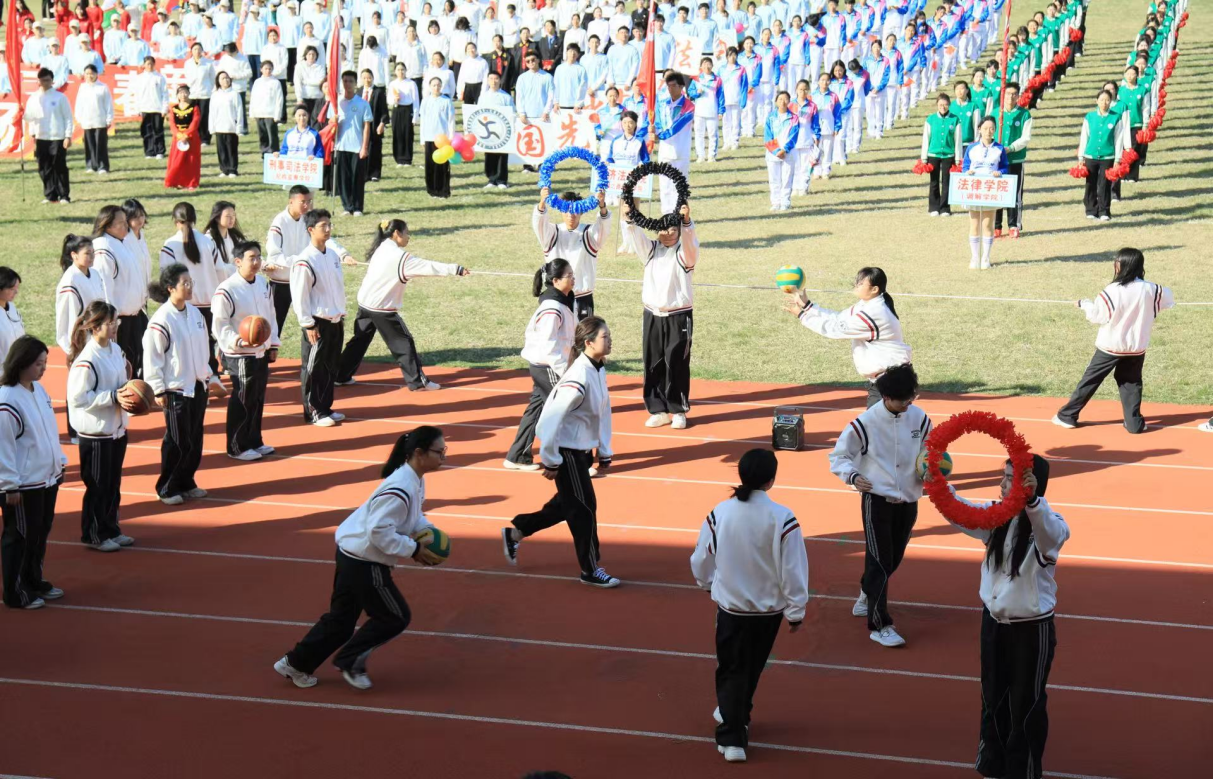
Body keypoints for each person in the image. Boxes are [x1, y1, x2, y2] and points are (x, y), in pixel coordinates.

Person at [273, 426, 449, 691]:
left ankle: (295, 663)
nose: (444, 456)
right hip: (365, 562)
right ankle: (350, 660)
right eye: (439, 451)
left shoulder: (413, 479)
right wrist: (414, 549)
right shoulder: (400, 487)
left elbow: (413, 516)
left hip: (352, 554)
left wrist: (428, 532)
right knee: (394, 616)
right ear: (419, 453)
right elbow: (378, 531)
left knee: (341, 621)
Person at [937, 455, 1067, 779]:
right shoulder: (996, 516)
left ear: (1031, 484)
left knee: (1025, 705)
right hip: (993, 625)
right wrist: (937, 484)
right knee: (992, 698)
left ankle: (1023, 771)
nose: (1003, 483)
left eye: (1011, 478)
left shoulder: (1049, 524)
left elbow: (1051, 533)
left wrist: (1033, 502)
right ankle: (993, 766)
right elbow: (961, 513)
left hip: (1030, 630)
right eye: (1004, 475)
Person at [690, 448, 808, 764]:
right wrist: (795, 610)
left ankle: (733, 732)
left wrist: (706, 583)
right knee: (752, 666)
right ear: (771, 480)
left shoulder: (721, 512)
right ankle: (735, 719)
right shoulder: (783, 517)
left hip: (732, 610)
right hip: (768, 614)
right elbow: (793, 568)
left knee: (732, 668)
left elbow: (701, 557)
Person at [502, 317, 620, 588]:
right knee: (584, 509)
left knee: (567, 504)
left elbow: (603, 412)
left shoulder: (598, 369)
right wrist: (551, 460)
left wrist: (604, 451)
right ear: (589, 343)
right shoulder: (578, 377)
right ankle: (590, 569)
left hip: (581, 452)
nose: (610, 340)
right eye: (605, 336)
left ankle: (516, 532)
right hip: (567, 454)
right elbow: (548, 420)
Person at [828, 363, 928, 648]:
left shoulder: (919, 418)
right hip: (877, 500)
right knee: (880, 560)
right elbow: (839, 456)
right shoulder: (865, 423)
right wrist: (853, 476)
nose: (908, 404)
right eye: (902, 400)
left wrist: (931, 468)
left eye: (911, 398)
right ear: (886, 397)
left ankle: (866, 593)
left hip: (909, 499)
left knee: (893, 558)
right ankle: (879, 624)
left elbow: (930, 450)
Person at [335, 219, 469, 389]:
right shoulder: (401, 258)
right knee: (404, 343)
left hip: (365, 304)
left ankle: (340, 375)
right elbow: (428, 267)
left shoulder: (382, 247)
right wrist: (456, 269)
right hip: (381, 308)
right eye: (406, 233)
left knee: (359, 341)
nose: (408, 236)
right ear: (397, 233)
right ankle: (417, 381)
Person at [1053, 248, 1174, 434]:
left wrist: (1084, 304)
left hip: (1110, 347)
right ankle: (1134, 423)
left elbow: (1097, 316)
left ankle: (1067, 416)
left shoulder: (1112, 290)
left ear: (1122, 265)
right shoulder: (1153, 289)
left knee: (1090, 380)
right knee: (1131, 384)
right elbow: (1168, 300)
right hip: (1136, 348)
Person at [0, 336, 66, 610]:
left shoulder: (38, 390)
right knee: (19, 537)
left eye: (45, 362)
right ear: (22, 363)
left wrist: (59, 461)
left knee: (39, 534)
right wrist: (9, 485)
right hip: (24, 485)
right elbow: (3, 447)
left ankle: (33, 580)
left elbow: (49, 429)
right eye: (38, 363)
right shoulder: (7, 401)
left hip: (46, 478)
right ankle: (15, 592)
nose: (44, 368)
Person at [785, 267, 911, 407]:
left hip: (892, 382)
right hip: (889, 379)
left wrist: (802, 315)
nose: (856, 285)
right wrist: (808, 306)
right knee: (887, 420)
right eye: (857, 281)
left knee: (879, 420)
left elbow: (835, 329)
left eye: (861, 283)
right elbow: (838, 319)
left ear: (874, 289)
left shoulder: (874, 313)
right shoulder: (866, 305)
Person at [67, 301, 137, 552]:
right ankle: (94, 534)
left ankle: (111, 528)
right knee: (97, 485)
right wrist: (113, 397)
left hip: (116, 429)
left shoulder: (115, 350)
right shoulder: (86, 361)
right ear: (95, 326)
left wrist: (131, 394)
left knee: (113, 483)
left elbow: (122, 383)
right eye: (110, 322)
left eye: (117, 321)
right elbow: (79, 398)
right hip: (96, 433)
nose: (116, 326)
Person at [144, 263, 215, 506]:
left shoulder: (195, 314)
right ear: (170, 288)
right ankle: (166, 487)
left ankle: (187, 482)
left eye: (190, 282)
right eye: (185, 283)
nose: (190, 286)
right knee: (177, 440)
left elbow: (204, 348)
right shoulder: (161, 321)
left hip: (197, 386)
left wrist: (208, 376)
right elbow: (153, 357)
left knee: (194, 439)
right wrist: (158, 388)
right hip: (175, 390)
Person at [623, 201, 698, 430]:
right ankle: (658, 410)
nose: (667, 234)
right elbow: (636, 236)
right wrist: (629, 217)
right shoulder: (651, 250)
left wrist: (687, 221)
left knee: (676, 362)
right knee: (652, 362)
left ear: (679, 231)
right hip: (652, 314)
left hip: (678, 315)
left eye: (673, 229)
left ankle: (678, 410)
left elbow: (690, 241)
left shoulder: (685, 253)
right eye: (663, 229)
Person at [504, 259, 577, 472]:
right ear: (555, 281)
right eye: (569, 275)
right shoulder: (552, 309)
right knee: (567, 411)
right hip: (549, 367)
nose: (573, 278)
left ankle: (518, 455)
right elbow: (548, 344)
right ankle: (574, 462)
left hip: (545, 366)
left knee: (536, 410)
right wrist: (564, 371)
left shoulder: (562, 302)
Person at [212, 241, 279, 461]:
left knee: (257, 397)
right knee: (242, 398)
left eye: (259, 257)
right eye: (252, 258)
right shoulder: (226, 290)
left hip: (260, 351)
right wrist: (238, 341)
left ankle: (254, 440)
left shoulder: (262, 284)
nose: (257, 262)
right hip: (240, 354)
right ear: (238, 261)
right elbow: (219, 325)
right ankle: (236, 446)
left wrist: (273, 343)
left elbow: (270, 316)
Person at [266, 186, 355, 336]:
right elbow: (274, 256)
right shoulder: (279, 222)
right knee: (274, 325)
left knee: (312, 318)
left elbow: (324, 239)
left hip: (306, 278)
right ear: (291, 201)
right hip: (282, 281)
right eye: (303, 202)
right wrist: (302, 262)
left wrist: (343, 254)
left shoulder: (306, 219)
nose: (307, 205)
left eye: (309, 201)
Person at [291, 209, 347, 428]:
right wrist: (308, 324)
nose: (328, 229)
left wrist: (340, 313)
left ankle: (325, 407)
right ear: (310, 230)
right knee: (313, 368)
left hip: (335, 320)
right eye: (323, 226)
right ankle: (313, 411)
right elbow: (300, 295)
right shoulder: (304, 261)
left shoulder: (332, 255)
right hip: (317, 322)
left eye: (329, 224)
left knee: (330, 366)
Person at [533, 187, 609, 320]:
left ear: (581, 212)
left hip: (582, 298)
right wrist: (542, 201)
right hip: (556, 297)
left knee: (583, 333)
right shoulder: (552, 232)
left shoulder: (588, 233)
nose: (571, 215)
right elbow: (539, 223)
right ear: (561, 210)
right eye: (567, 211)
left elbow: (603, 227)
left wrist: (602, 205)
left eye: (575, 211)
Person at [92, 206, 146, 372]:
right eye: (121, 223)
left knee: (138, 364)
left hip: (135, 316)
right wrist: (111, 322)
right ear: (108, 225)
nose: (126, 226)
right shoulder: (103, 248)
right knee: (124, 369)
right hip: (120, 322)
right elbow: (105, 289)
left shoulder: (122, 242)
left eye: (125, 222)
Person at [55, 236, 106, 386]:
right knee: (82, 386)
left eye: (93, 252)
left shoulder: (95, 274)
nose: (92, 256)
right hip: (83, 343)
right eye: (87, 253)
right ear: (74, 255)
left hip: (98, 337)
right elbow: (70, 319)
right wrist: (75, 348)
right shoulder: (70, 281)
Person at [961, 116, 1007, 270]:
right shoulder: (971, 148)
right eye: (985, 128)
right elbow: (965, 166)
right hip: (974, 189)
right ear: (979, 129)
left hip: (990, 190)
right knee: (974, 223)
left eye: (992, 128)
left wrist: (1000, 173)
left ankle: (985, 257)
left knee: (987, 224)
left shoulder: (999, 149)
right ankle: (974, 257)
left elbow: (1005, 167)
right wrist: (968, 172)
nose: (989, 131)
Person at [25, 68, 73, 205]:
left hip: (57, 137)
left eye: (47, 80)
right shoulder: (34, 98)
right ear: (38, 81)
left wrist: (68, 136)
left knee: (59, 166)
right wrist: (32, 132)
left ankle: (64, 195)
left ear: (52, 81)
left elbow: (68, 118)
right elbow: (30, 118)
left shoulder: (60, 97)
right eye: (42, 80)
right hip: (41, 137)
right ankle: (50, 194)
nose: (45, 83)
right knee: (44, 167)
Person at [1078, 89, 1126, 222]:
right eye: (1101, 100)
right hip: (1090, 155)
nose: (1104, 103)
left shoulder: (1116, 117)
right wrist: (1081, 156)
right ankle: (1091, 209)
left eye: (1107, 100)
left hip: (1108, 156)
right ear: (1096, 101)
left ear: (1111, 102)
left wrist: (1118, 158)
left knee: (1105, 184)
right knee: (1090, 183)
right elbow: (1084, 137)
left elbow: (1118, 139)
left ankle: (1104, 211)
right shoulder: (1089, 117)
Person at [650, 72, 695, 213]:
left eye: (674, 85)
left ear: (681, 87)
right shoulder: (663, 105)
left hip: (680, 150)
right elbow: (658, 122)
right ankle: (666, 214)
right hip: (665, 151)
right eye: (668, 86)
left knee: (679, 185)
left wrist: (660, 134)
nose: (670, 89)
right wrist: (654, 130)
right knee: (665, 186)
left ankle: (679, 215)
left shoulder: (689, 106)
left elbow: (677, 126)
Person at [991, 82, 1031, 238]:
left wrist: (1011, 148)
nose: (1011, 97)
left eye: (1014, 94)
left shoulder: (1024, 114)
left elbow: (1025, 138)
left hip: (1015, 160)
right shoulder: (996, 113)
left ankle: (1014, 225)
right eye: (1008, 94)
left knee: (1015, 193)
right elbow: (987, 131)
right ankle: (996, 225)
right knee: (997, 192)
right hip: (997, 162)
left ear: (1018, 96)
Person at [332, 70, 373, 215]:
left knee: (357, 178)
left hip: (357, 146)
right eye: (345, 81)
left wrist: (364, 147)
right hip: (341, 146)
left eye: (350, 81)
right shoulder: (337, 103)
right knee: (343, 179)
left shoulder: (362, 103)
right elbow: (331, 124)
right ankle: (347, 206)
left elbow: (366, 126)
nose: (347, 84)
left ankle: (357, 207)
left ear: (356, 83)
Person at [920, 93, 962, 216]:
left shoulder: (955, 119)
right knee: (934, 181)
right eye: (940, 105)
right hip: (933, 154)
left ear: (949, 105)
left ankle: (945, 208)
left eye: (945, 104)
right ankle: (934, 207)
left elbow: (958, 140)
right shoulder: (931, 119)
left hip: (948, 155)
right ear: (937, 105)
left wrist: (958, 158)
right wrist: (924, 157)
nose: (943, 107)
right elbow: (926, 138)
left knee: (946, 182)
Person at [420, 76, 455, 198]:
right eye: (434, 85)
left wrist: (451, 137)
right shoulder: (425, 101)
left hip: (443, 139)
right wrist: (422, 138)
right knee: (430, 165)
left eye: (438, 85)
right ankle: (431, 189)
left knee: (442, 166)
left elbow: (451, 120)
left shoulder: (446, 101)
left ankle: (443, 190)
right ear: (430, 87)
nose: (436, 87)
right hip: (429, 137)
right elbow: (423, 121)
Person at [763, 91, 798, 212]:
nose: (783, 102)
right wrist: (777, 151)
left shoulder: (794, 118)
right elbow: (768, 136)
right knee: (774, 180)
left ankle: (785, 202)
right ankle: (776, 202)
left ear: (789, 101)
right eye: (780, 99)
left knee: (787, 179)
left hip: (788, 153)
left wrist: (785, 150)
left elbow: (794, 136)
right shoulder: (771, 117)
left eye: (785, 99)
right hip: (773, 154)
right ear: (776, 102)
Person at [478, 71, 514, 189]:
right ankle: (491, 179)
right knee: (489, 154)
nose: (493, 81)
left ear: (500, 80)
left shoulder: (506, 97)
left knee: (502, 155)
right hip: (488, 130)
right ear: (488, 81)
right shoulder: (483, 96)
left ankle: (502, 180)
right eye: (491, 79)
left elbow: (512, 112)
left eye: (496, 79)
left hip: (502, 130)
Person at [75, 64, 113, 174]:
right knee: (89, 144)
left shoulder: (103, 87)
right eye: (87, 74)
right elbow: (79, 104)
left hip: (100, 119)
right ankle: (91, 165)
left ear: (96, 74)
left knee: (100, 144)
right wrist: (79, 118)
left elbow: (108, 104)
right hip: (87, 120)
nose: (89, 76)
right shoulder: (82, 87)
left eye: (91, 73)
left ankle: (102, 166)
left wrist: (109, 118)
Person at [164, 85, 202, 190]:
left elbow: (195, 122)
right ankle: (176, 181)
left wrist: (186, 135)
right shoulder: (174, 108)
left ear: (189, 93)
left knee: (191, 161)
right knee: (176, 160)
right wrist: (178, 135)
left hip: (191, 137)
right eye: (180, 93)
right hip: (178, 137)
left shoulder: (194, 107)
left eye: (185, 92)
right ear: (177, 95)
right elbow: (172, 123)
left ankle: (191, 182)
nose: (183, 95)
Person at [209, 71, 243, 176]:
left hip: (231, 127)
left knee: (231, 149)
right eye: (223, 78)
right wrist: (212, 127)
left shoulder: (234, 94)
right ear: (218, 81)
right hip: (219, 126)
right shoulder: (215, 95)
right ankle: (224, 169)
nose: (226, 80)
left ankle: (232, 169)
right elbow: (212, 112)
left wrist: (239, 127)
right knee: (221, 150)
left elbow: (239, 111)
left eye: (227, 78)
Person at [250, 60, 285, 155]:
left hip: (271, 114)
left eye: (270, 69)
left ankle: (274, 152)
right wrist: (252, 112)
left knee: (272, 135)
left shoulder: (276, 82)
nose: (268, 71)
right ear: (261, 69)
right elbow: (253, 98)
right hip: (259, 113)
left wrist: (277, 115)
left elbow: (279, 100)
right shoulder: (257, 82)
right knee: (262, 135)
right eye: (266, 69)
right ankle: (264, 153)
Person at [184, 42, 216, 145]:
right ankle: (193, 137)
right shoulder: (188, 63)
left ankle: (205, 138)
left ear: (202, 51)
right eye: (195, 49)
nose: (197, 51)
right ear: (191, 51)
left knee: (204, 117)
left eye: (199, 49)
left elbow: (212, 78)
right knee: (193, 117)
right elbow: (187, 78)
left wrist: (210, 89)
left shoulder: (208, 63)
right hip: (192, 94)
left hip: (205, 94)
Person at [388, 61, 419, 167]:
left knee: (407, 134)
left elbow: (416, 100)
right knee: (397, 134)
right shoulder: (392, 84)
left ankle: (407, 159)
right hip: (397, 110)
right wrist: (395, 100)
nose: (401, 72)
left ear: (406, 71)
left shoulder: (411, 83)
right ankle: (398, 159)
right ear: (395, 71)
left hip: (407, 110)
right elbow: (389, 99)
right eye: (398, 70)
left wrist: (415, 116)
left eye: (402, 69)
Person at [0, 268, 23, 363]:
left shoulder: (12, 308)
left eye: (17, 288)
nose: (16, 292)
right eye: (12, 289)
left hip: (17, 365)